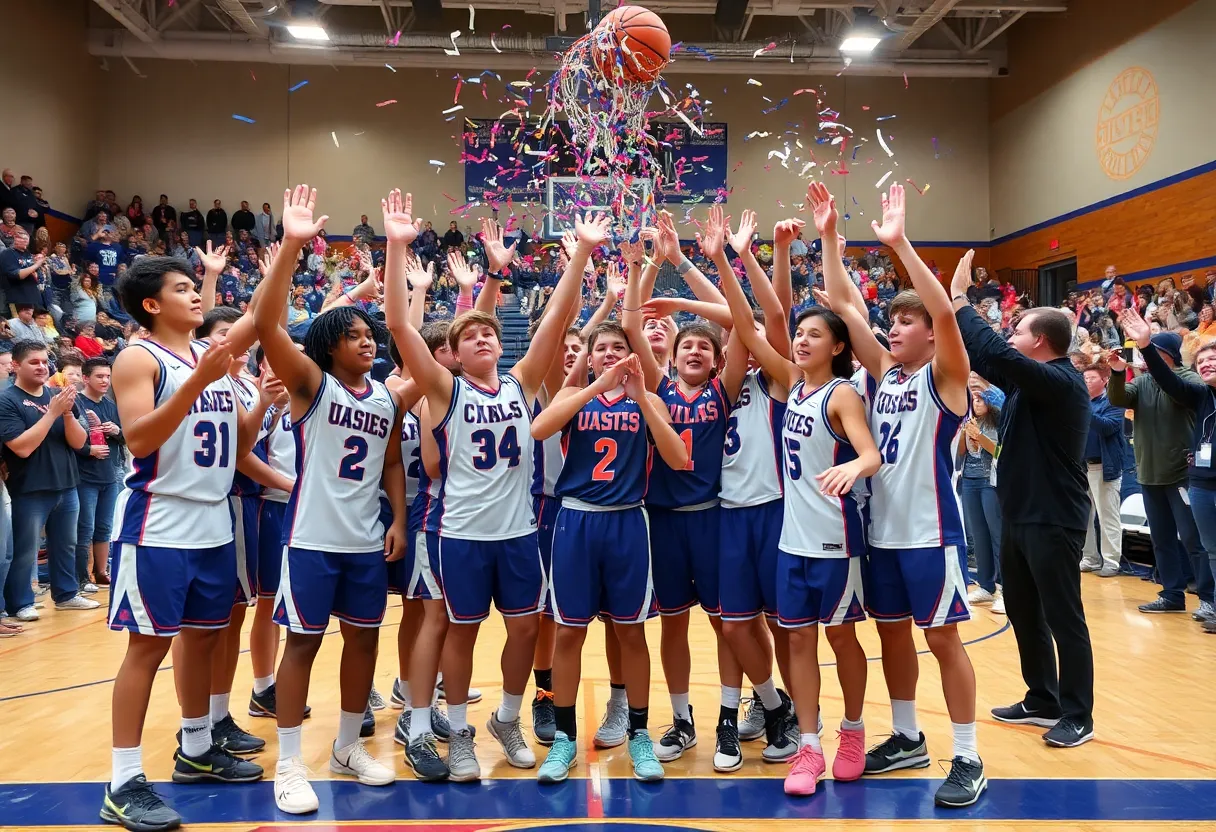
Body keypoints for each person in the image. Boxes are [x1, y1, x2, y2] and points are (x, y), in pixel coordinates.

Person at [387, 188, 607, 782]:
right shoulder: (443, 389)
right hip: (457, 530)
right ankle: (457, 731)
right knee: (460, 630)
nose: (484, 339)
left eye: (490, 333)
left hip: (517, 531)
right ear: (453, 355)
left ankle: (507, 718)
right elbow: (399, 326)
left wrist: (581, 255)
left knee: (526, 627)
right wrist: (396, 247)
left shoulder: (520, 382)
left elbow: (557, 320)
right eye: (471, 337)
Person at [819, 183, 984, 808]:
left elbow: (946, 315)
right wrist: (832, 235)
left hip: (930, 533)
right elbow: (840, 302)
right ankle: (908, 736)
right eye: (892, 320)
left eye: (904, 321)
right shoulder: (883, 375)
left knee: (942, 640)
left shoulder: (946, 379)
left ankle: (967, 754)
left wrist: (898, 244)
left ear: (928, 334)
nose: (893, 328)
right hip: (881, 535)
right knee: (890, 636)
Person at [715, 203, 881, 797]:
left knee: (841, 639)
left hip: (837, 541)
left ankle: (853, 731)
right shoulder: (786, 383)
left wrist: (853, 469)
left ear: (838, 347)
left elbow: (869, 455)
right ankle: (808, 746)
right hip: (792, 542)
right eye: (800, 335)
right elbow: (749, 317)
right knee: (798, 641)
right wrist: (725, 258)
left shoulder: (841, 395)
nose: (803, 340)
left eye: (815, 335)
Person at [255, 185, 407, 814]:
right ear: (327, 347)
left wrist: (397, 516)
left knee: (365, 643)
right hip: (312, 540)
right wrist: (292, 245)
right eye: (352, 334)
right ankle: (289, 762)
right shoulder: (310, 385)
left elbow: (393, 460)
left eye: (370, 333)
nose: (367, 339)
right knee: (303, 644)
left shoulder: (386, 396)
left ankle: (347, 745)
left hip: (365, 541)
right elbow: (267, 324)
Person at [104, 255, 265, 832]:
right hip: (159, 524)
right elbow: (141, 439)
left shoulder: (209, 357)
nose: (196, 296)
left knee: (201, 641)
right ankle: (122, 781)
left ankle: (196, 749)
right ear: (152, 304)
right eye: (182, 289)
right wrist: (199, 381)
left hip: (214, 523)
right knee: (146, 649)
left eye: (196, 287)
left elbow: (239, 440)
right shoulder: (137, 357)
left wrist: (294, 245)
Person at [949, 254, 1096, 750]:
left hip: (1054, 517)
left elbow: (998, 354)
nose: (1010, 335)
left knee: (1063, 617)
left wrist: (961, 300)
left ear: (1041, 341)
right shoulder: (1031, 385)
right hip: (1021, 514)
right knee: (1024, 612)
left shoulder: (1061, 381)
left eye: (1018, 330)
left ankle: (1079, 713)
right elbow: (990, 357)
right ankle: (1042, 698)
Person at [530, 325, 688, 784]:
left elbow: (678, 458)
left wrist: (641, 397)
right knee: (568, 633)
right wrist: (595, 386)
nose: (611, 354)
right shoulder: (576, 395)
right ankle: (563, 738)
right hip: (576, 520)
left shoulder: (650, 402)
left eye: (619, 347)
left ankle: (639, 733)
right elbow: (539, 429)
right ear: (591, 358)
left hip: (627, 522)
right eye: (601, 349)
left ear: (634, 355)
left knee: (631, 633)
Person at [1117, 307, 1216, 628]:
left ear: (1169, 354)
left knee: (1194, 540)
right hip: (1150, 473)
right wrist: (1119, 372)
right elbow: (1118, 398)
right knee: (1162, 538)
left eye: (1157, 352)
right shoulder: (1145, 382)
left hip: (1182, 475)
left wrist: (1146, 346)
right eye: (1202, 361)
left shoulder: (1191, 382)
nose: (1206, 366)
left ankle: (1207, 598)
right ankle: (1172, 594)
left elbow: (1170, 383)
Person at [0, 340, 93, 621]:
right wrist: (52, 412)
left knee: (66, 544)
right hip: (29, 487)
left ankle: (66, 594)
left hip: (66, 483)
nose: (42, 367)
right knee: (25, 550)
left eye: (44, 362)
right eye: (34, 362)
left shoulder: (57, 395)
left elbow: (79, 442)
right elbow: (21, 446)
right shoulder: (7, 400)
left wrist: (66, 413)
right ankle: (20, 603)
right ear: (15, 365)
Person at [74, 358, 124, 590]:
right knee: (85, 527)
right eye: (99, 376)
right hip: (84, 475)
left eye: (107, 376)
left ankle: (101, 572)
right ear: (86, 378)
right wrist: (87, 449)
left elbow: (128, 437)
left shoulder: (111, 405)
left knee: (104, 526)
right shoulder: (76, 403)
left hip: (110, 474)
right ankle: (82, 576)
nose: (105, 381)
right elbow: (66, 438)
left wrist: (117, 431)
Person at [960, 380, 1005, 612]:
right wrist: (962, 433)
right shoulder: (970, 422)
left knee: (997, 535)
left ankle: (1005, 589)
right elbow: (961, 453)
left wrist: (979, 436)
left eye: (979, 400)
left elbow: (999, 451)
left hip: (991, 483)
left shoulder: (997, 422)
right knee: (978, 536)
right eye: (973, 400)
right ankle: (986, 586)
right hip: (969, 481)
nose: (976, 404)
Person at [1079, 362, 1126, 577]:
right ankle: (1089, 557)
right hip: (1081, 466)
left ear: (1105, 380)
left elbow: (1109, 427)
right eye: (1084, 378)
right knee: (1083, 515)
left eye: (1091, 378)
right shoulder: (1080, 404)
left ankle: (1111, 560)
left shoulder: (1113, 402)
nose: (1086, 381)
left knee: (1107, 515)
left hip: (1103, 466)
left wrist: (1084, 408)